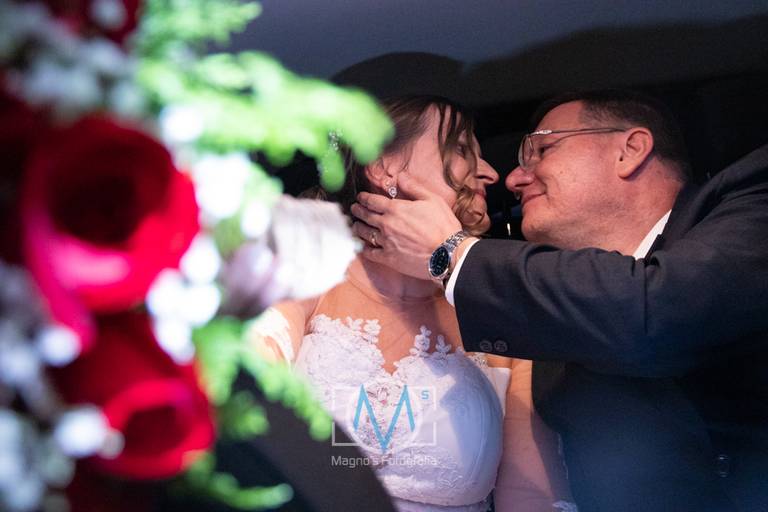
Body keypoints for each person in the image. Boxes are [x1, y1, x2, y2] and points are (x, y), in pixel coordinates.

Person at [350, 89, 768, 511]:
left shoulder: (754, 203)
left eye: (541, 149)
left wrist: (454, 255)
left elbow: (660, 311)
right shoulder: (538, 330)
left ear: (629, 151)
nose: (511, 179)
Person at [249, 95, 576, 511]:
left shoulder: (503, 323)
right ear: (384, 166)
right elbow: (247, 376)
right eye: (462, 149)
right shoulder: (305, 272)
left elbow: (531, 496)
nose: (490, 172)